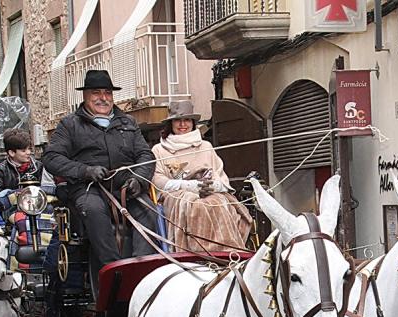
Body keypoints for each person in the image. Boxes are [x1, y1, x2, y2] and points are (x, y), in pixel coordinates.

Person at [41, 69, 156, 290]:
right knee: (93, 210)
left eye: (107, 93)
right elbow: (52, 158)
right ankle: (114, 270)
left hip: (125, 187)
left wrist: (138, 180)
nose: (103, 98)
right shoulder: (70, 125)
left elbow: (145, 155)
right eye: (96, 93)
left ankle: (141, 273)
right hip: (89, 188)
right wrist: (85, 170)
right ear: (85, 96)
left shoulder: (128, 123)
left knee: (150, 211)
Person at [151, 100, 252, 252]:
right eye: (177, 120)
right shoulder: (159, 150)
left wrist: (212, 186)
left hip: (209, 193)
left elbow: (220, 176)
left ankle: (227, 251)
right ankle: (196, 252)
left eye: (186, 120)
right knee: (193, 203)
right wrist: (190, 186)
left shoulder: (206, 146)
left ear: (192, 122)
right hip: (176, 196)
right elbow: (158, 181)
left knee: (218, 202)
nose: (182, 124)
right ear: (170, 124)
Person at [0, 128, 56, 251]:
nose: (28, 153)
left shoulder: (38, 166)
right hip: (12, 210)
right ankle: (24, 251)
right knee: (22, 221)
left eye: (29, 149)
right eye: (23, 150)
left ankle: (46, 249)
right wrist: (14, 196)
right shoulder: (1, 169)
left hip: (38, 207)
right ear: (11, 153)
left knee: (49, 220)